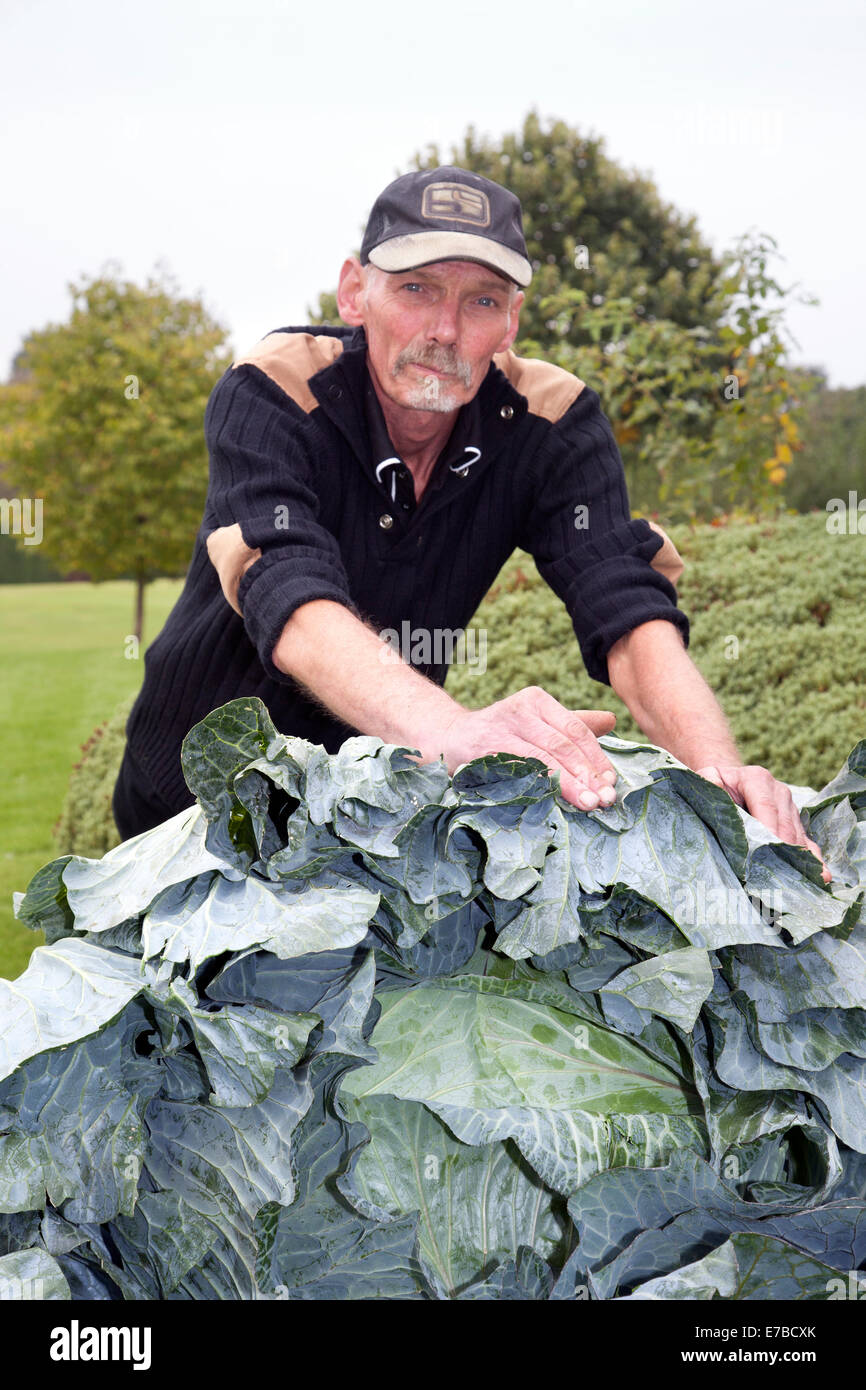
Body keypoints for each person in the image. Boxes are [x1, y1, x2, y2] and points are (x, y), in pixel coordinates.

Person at [112, 164, 825, 874]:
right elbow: (289, 591)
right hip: (197, 805)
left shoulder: (551, 421)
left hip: (378, 815)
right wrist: (457, 732)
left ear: (511, 321)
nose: (445, 330)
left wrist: (719, 773)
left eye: (482, 301)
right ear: (355, 292)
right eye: (416, 289)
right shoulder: (276, 390)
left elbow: (626, 602)